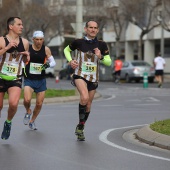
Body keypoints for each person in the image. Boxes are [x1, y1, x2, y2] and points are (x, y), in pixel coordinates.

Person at [64, 20, 111, 141]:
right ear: (86, 29)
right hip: (80, 74)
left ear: (98, 30)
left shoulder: (102, 44)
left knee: (89, 105)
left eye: (95, 28)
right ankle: (80, 127)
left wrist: (100, 56)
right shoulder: (78, 42)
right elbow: (66, 50)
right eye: (90, 27)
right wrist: (70, 61)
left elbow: (109, 62)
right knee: (84, 97)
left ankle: (81, 126)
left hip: (93, 77)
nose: (93, 30)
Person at [0, 17, 30, 140]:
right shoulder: (2, 40)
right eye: (19, 24)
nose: (22, 27)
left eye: (22, 24)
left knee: (13, 104)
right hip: (1, 76)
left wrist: (26, 56)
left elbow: (25, 61)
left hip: (15, 77)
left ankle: (8, 122)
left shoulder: (25, 42)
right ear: (11, 26)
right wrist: (7, 48)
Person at [23, 31, 56, 130]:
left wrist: (46, 65)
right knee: (27, 99)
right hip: (29, 78)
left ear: (43, 40)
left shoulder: (46, 49)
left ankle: (32, 121)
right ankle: (28, 111)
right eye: (37, 39)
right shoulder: (28, 48)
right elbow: (21, 60)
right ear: (33, 39)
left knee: (39, 103)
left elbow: (53, 62)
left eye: (41, 39)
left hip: (41, 79)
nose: (39, 42)